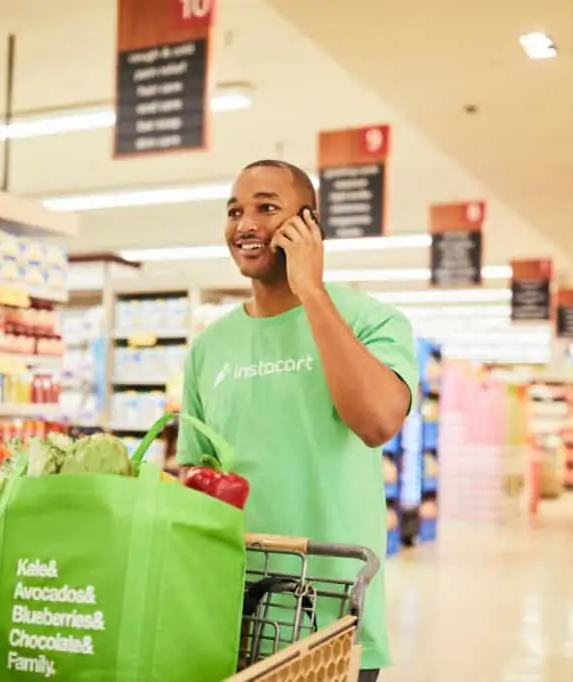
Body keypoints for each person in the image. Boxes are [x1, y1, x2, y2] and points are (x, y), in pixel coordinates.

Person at [176, 159, 419, 681]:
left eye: (267, 207)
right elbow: (193, 480)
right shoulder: (208, 348)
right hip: (228, 613)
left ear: (308, 224)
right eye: (234, 211)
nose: (245, 224)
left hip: (332, 617)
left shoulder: (372, 320)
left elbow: (377, 422)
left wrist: (311, 290)